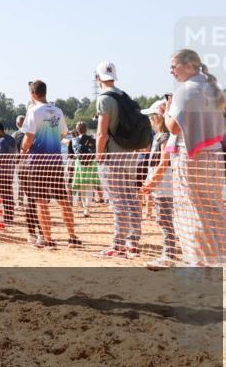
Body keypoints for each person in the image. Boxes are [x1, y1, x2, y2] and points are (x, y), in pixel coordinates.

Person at [165, 49, 226, 269]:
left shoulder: (185, 91)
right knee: (215, 207)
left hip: (190, 158)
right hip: (214, 156)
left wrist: (167, 112)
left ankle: (200, 263)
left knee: (192, 210)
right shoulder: (212, 89)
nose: (171, 71)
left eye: (173, 65)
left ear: (189, 66)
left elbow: (173, 127)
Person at [94, 61, 147, 258]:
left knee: (117, 201)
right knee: (131, 197)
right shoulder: (124, 95)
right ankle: (133, 241)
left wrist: (99, 155)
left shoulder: (104, 99)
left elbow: (102, 133)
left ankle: (118, 244)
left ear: (98, 77)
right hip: (129, 154)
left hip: (112, 156)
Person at [19, 80, 80, 248]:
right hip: (56, 161)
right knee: (64, 200)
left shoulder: (33, 111)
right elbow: (62, 134)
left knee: (40, 201)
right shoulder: (58, 111)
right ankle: (72, 236)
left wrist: (23, 150)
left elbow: (28, 137)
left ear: (32, 94)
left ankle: (48, 238)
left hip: (38, 163)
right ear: (45, 92)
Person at [139, 100, 178, 269]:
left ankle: (168, 255)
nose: (150, 120)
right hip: (161, 184)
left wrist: (151, 184)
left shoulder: (165, 136)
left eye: (151, 116)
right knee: (164, 219)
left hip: (165, 185)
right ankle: (168, 253)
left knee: (166, 220)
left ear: (158, 117)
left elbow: (163, 163)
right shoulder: (159, 136)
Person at [68, 121, 100, 216]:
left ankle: (85, 209)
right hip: (91, 164)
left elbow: (70, 156)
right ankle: (87, 209)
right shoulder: (92, 139)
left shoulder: (73, 140)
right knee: (89, 186)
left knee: (82, 187)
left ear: (77, 130)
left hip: (79, 164)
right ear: (86, 129)